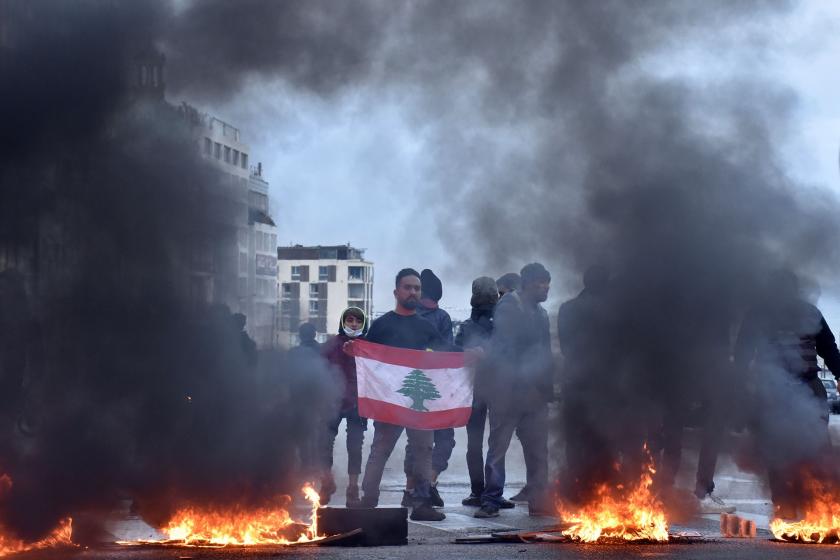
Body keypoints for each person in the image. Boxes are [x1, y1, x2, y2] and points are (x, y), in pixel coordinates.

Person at [734, 270, 840, 519]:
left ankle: (813, 505)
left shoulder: (808, 314)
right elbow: (744, 352)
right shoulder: (760, 315)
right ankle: (789, 505)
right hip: (775, 390)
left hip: (806, 388)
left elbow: (829, 348)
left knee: (811, 449)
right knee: (780, 449)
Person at [353, 268, 450, 521]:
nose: (413, 292)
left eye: (417, 288)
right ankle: (369, 499)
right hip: (389, 401)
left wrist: (471, 354)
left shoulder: (425, 326)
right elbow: (367, 356)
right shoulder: (382, 325)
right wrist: (352, 350)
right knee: (381, 449)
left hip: (419, 400)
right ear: (396, 291)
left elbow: (447, 352)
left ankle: (421, 504)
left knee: (423, 450)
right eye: (408, 287)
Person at [477, 263, 553, 518]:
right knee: (498, 447)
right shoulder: (510, 305)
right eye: (540, 283)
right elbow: (505, 348)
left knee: (537, 450)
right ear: (527, 283)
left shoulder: (541, 313)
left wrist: (545, 388)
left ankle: (539, 500)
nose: (545, 288)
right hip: (508, 392)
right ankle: (491, 500)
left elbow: (545, 352)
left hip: (534, 395)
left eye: (547, 283)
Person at [556, 265, 614, 504]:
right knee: (602, 438)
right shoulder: (614, 311)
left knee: (575, 437)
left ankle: (579, 488)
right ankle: (601, 488)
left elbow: (565, 347)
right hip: (605, 385)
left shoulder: (567, 309)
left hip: (576, 380)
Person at [456, 276, 514, 509]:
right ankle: (490, 492)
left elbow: (455, 354)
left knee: (479, 443)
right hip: (489, 388)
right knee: (493, 443)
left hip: (478, 389)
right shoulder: (501, 325)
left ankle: (481, 491)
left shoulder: (469, 327)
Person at [402, 269, 455, 507]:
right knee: (444, 439)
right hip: (438, 389)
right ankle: (430, 484)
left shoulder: (407, 316)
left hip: (411, 388)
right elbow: (448, 353)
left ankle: (410, 489)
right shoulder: (442, 318)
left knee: (415, 441)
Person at [319, 307, 369, 505]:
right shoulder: (331, 345)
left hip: (358, 402)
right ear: (343, 322)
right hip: (333, 401)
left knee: (355, 446)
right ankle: (326, 482)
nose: (354, 324)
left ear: (363, 324)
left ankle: (353, 487)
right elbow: (319, 370)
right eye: (350, 320)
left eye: (358, 321)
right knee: (325, 443)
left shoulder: (368, 346)